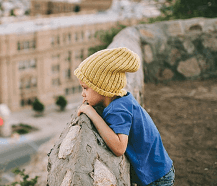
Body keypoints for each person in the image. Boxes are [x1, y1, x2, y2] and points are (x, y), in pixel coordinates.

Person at [75, 47, 175, 186]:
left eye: (85, 88)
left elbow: (119, 148)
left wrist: (91, 113)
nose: (83, 94)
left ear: (101, 86)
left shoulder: (117, 109)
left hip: (156, 178)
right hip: (159, 169)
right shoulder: (123, 99)